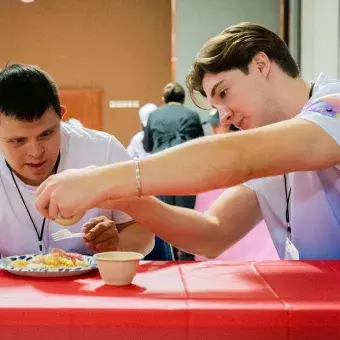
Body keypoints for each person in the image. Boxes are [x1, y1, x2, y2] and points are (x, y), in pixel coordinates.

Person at [36, 22, 340, 260]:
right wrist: (122, 199)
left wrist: (100, 179)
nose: (223, 117)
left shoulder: (333, 107)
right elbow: (212, 233)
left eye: (224, 93)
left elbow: (233, 159)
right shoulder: (274, 146)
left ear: (261, 64)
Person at [0, 64, 154, 258]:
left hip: (94, 284)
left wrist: (117, 246)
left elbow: (143, 230)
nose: (36, 152)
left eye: (46, 134)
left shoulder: (103, 149)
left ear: (61, 115)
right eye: (18, 141)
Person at [143, 82, 204, 260]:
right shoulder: (192, 115)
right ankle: (186, 254)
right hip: (187, 167)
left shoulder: (154, 115)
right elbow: (201, 144)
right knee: (187, 213)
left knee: (164, 213)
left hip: (162, 166)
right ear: (183, 98)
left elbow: (147, 145)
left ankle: (167, 255)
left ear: (164, 99)